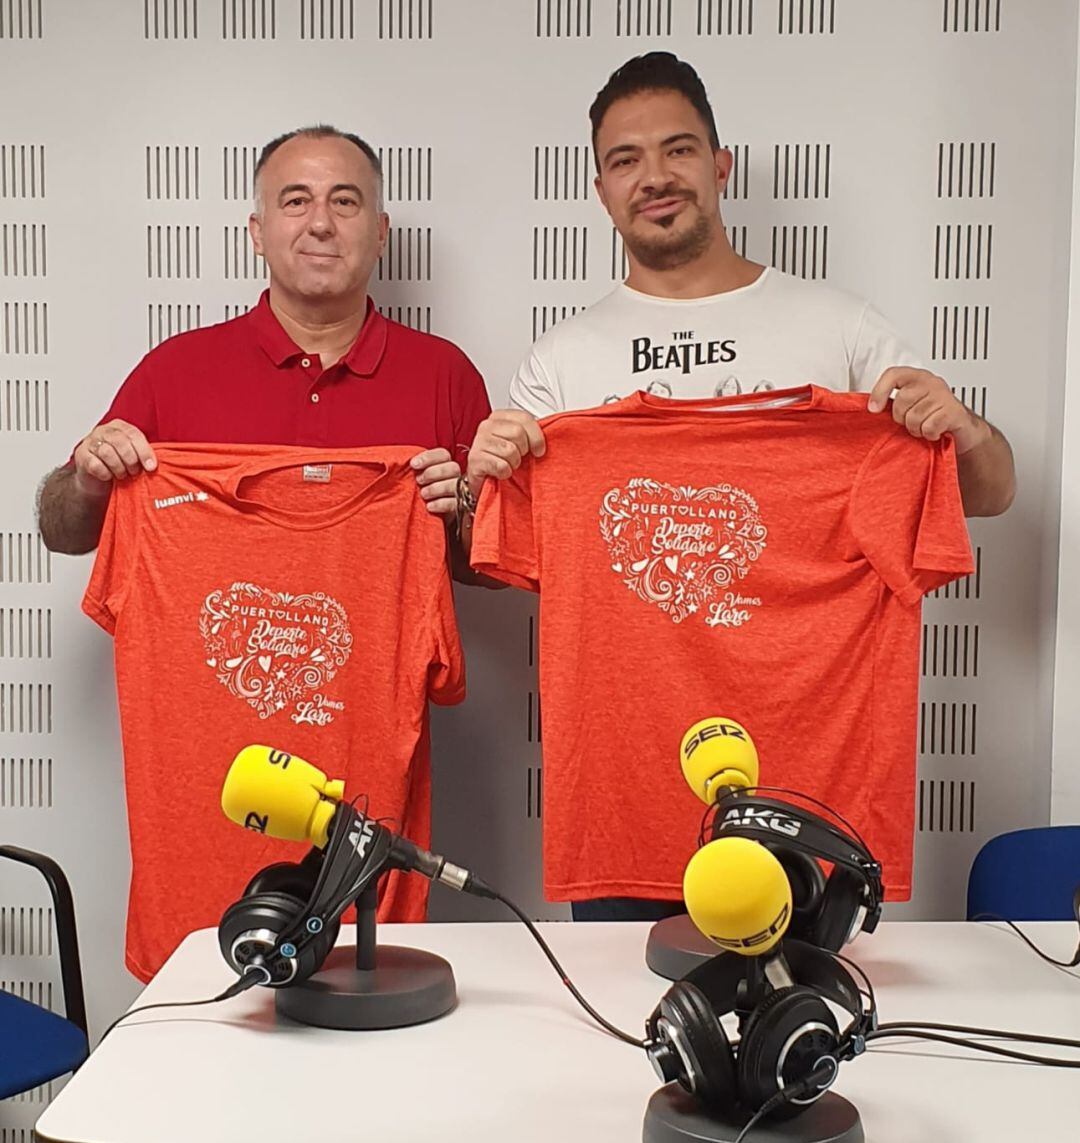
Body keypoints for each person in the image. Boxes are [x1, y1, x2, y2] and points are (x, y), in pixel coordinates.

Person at [463, 53, 1016, 922]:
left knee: (805, 1044)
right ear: (601, 189)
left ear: (720, 166)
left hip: (810, 795)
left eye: (678, 150)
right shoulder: (560, 365)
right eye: (626, 159)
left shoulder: (840, 327)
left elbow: (986, 493)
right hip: (626, 802)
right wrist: (487, 479)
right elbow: (490, 554)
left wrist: (964, 430)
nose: (655, 176)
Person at [38, 124, 489, 559]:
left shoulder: (446, 374)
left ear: (380, 233)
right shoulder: (175, 369)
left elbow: (489, 568)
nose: (320, 224)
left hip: (392, 640)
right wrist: (89, 481)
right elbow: (62, 534)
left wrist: (465, 508)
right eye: (296, 201)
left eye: (345, 202)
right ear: (257, 233)